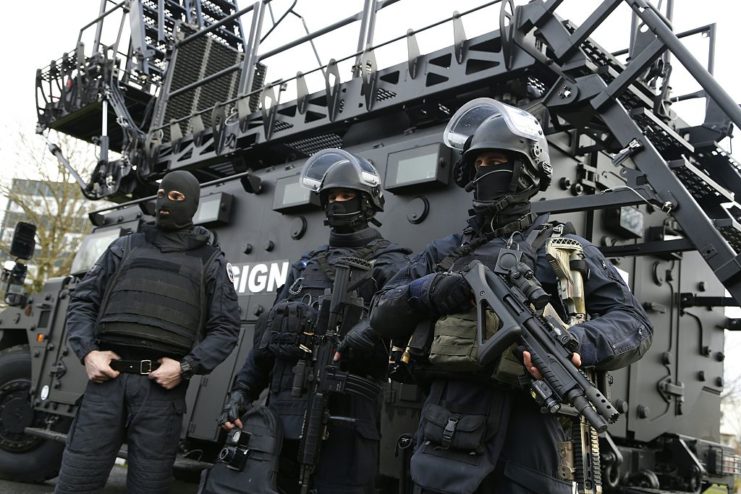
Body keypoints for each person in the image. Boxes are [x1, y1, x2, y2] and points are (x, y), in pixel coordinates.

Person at [364, 99, 653, 493]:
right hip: (445, 436)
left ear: (527, 171)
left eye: (498, 161)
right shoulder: (443, 254)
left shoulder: (563, 249)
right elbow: (381, 313)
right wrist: (430, 291)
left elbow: (633, 323)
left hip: (529, 439)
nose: (487, 171)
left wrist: (576, 342)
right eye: (479, 163)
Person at [219, 149, 410, 494]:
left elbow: (403, 338)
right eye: (331, 196)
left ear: (368, 201)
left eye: (347, 195)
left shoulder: (391, 263)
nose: (338, 202)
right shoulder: (305, 266)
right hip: (282, 416)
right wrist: (242, 391)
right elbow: (267, 342)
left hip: (346, 419)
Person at [56, 170, 241, 494]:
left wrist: (186, 368)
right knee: (75, 484)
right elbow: (83, 302)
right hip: (106, 384)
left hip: (160, 394)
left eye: (176, 197)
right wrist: (88, 353)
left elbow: (225, 328)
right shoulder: (124, 247)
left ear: (192, 204)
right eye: (161, 195)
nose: (165, 203)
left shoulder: (209, 261)